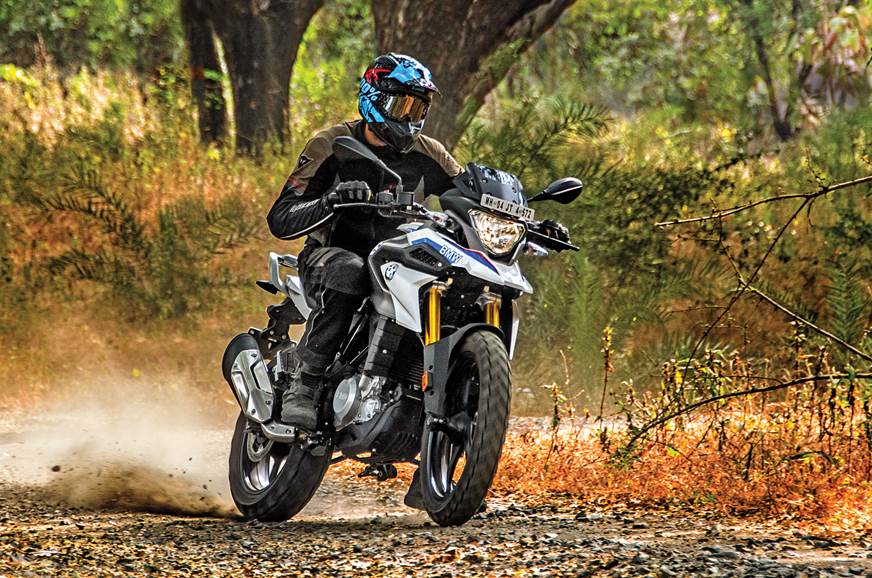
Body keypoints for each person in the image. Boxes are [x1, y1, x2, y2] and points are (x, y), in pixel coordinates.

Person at [267, 53, 462, 433]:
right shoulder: (331, 144)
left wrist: (513, 214)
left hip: (399, 260)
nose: (409, 118)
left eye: (418, 108)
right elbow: (282, 216)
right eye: (401, 106)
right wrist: (330, 201)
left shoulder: (430, 153)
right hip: (330, 255)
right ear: (374, 98)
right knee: (349, 271)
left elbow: (465, 192)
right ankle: (305, 383)